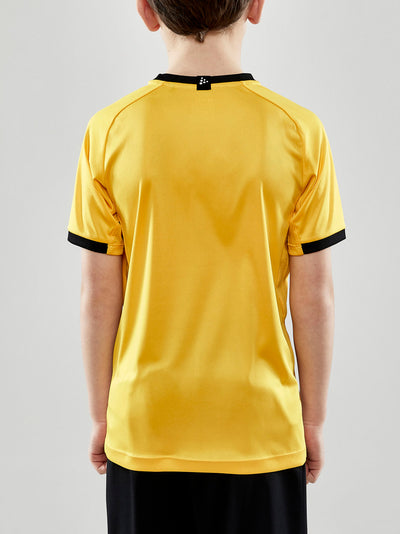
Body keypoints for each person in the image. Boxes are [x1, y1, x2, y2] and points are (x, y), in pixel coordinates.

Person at [66, 0, 347, 532]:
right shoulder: (299, 131)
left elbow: (97, 296)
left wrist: (103, 416)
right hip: (260, 428)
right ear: (255, 6)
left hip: (147, 427)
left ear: (147, 11)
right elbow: (315, 297)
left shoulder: (110, 130)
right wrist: (311, 420)